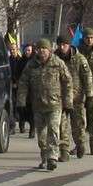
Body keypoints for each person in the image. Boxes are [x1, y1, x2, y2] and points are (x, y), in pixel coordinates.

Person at [20, 37, 73, 171]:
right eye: (39, 49)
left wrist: (68, 102)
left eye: (45, 48)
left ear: (49, 50)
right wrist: (21, 101)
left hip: (55, 104)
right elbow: (23, 83)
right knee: (41, 136)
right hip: (38, 105)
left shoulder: (58, 63)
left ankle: (52, 158)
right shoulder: (31, 65)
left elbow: (67, 82)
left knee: (54, 131)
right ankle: (44, 157)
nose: (42, 51)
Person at [54, 38, 91, 161]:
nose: (61, 47)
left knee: (78, 124)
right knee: (62, 125)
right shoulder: (55, 59)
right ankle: (64, 151)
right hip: (61, 98)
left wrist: (89, 95)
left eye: (64, 44)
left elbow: (87, 77)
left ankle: (80, 144)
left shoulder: (79, 59)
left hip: (77, 97)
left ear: (69, 45)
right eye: (60, 45)